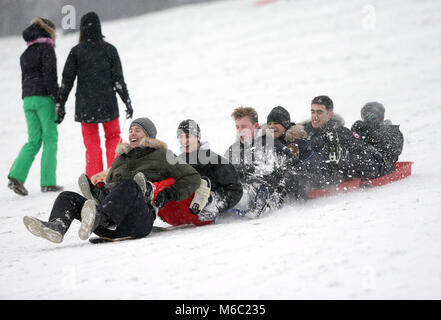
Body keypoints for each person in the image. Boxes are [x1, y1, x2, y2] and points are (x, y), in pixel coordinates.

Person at [23, 117, 201, 243]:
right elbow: (111, 187)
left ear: (148, 135)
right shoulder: (120, 158)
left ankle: (99, 217)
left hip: (138, 221)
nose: (132, 133)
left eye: (137, 130)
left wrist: (169, 194)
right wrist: (101, 190)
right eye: (130, 130)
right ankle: (56, 227)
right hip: (107, 226)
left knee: (130, 185)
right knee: (67, 196)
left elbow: (193, 177)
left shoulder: (163, 155)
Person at [57, 12, 133, 181]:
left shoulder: (76, 52)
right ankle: (116, 175)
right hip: (108, 104)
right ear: (99, 27)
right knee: (113, 138)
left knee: (92, 144)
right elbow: (118, 80)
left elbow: (66, 81)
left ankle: (95, 180)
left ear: (82, 29)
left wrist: (60, 103)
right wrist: (127, 101)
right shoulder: (110, 50)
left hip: (86, 106)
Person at [8, 17, 63, 196]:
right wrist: (57, 99)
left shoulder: (26, 53)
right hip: (43, 99)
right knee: (50, 139)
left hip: (28, 100)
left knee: (33, 140)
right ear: (49, 31)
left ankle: (16, 176)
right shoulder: (47, 49)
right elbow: (50, 77)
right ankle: (48, 182)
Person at [225, 107, 309, 218]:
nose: (240, 130)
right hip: (241, 192)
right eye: (237, 127)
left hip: (267, 192)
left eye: (244, 126)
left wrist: (279, 192)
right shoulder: (233, 150)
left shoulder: (269, 143)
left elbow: (296, 167)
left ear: (255, 126)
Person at [303, 95, 385, 182]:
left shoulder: (340, 133)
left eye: (319, 112)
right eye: (313, 112)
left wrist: (341, 161)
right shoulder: (305, 131)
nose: (315, 116)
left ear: (330, 115)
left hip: (325, 175)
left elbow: (368, 158)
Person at [176, 119, 243, 222]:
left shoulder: (215, 160)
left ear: (197, 137)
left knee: (200, 188)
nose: (184, 140)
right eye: (181, 137)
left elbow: (236, 189)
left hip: (204, 211)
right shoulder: (178, 162)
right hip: (182, 211)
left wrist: (217, 206)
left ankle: (207, 200)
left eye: (188, 136)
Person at [265, 105, 330, 188]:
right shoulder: (267, 144)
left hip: (309, 181)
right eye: (269, 124)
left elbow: (312, 167)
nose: (271, 126)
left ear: (285, 125)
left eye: (276, 123)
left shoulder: (299, 141)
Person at [351, 102, 404, 174]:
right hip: (384, 167)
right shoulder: (393, 131)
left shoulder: (363, 128)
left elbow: (354, 145)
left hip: (374, 168)